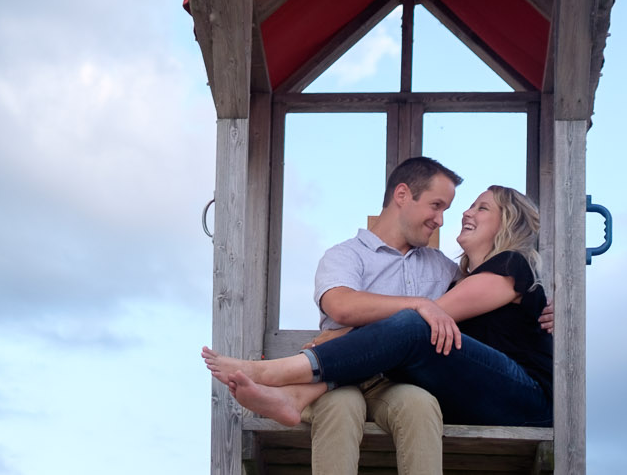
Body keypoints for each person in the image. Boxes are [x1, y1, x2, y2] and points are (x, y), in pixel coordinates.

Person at [205, 177, 554, 450]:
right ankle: (296, 396)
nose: (465, 213)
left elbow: (427, 316)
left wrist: (339, 336)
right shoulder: (457, 280)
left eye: (482, 208)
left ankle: (276, 372)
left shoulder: (512, 266)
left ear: (508, 222)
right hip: (475, 396)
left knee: (419, 324)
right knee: (410, 338)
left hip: (524, 398)